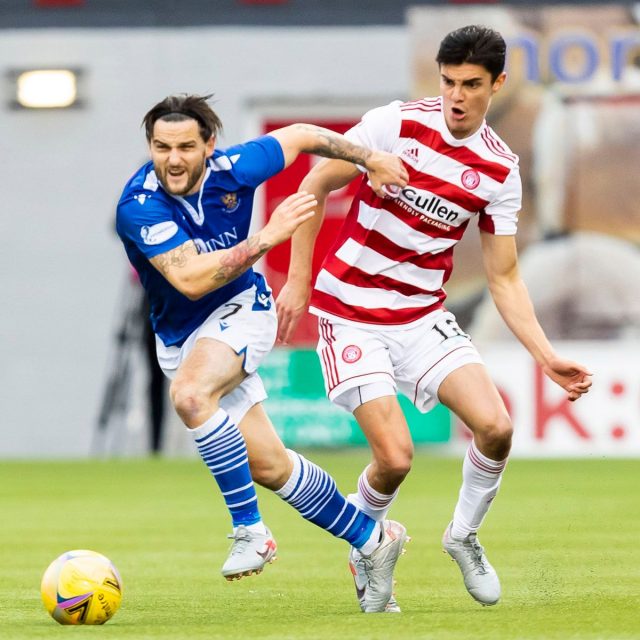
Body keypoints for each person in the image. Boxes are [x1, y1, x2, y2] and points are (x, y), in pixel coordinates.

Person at [276, 25, 593, 609]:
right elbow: (316, 182)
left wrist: (547, 358)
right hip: (349, 311)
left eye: (471, 84)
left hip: (421, 316)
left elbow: (503, 277)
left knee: (496, 427)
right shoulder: (394, 124)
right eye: (448, 81)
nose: (456, 95)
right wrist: (297, 279)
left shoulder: (499, 170)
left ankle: (464, 536)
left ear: (497, 84)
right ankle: (366, 543)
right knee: (396, 457)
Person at [115, 93, 411, 613]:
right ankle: (372, 540)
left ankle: (251, 530)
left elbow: (299, 134)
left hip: (243, 310)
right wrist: (267, 238)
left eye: (186, 146)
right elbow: (187, 279)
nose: (174, 159)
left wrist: (371, 158)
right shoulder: (139, 206)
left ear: (210, 146)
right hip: (183, 334)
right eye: (162, 147)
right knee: (271, 467)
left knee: (189, 395)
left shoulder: (235, 168)